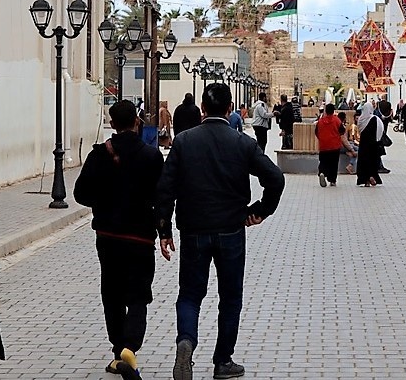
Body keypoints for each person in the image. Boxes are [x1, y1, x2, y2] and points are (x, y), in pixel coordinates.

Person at [157, 83, 284, 380]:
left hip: (193, 229)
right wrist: (259, 210)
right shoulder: (242, 143)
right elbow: (275, 178)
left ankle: (186, 341)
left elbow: (165, 189)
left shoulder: (184, 142)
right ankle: (223, 361)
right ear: (229, 109)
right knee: (230, 296)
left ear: (203, 108)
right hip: (231, 230)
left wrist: (163, 229)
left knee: (190, 294)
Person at [74, 99, 164, 379]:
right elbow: (161, 198)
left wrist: (103, 202)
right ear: (137, 121)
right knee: (138, 295)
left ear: (112, 124)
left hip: (108, 236)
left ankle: (117, 352)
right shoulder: (151, 156)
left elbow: (80, 194)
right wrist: (165, 230)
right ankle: (130, 347)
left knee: (111, 294)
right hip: (140, 237)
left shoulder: (99, 154)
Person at [355, 103, 384, 187]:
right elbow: (380, 129)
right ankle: (372, 176)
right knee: (372, 161)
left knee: (363, 161)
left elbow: (359, 130)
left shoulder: (361, 119)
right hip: (373, 145)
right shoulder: (375, 118)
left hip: (363, 144)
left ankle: (365, 180)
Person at [315, 103, 343, 187]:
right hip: (335, 145)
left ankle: (322, 172)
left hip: (323, 145)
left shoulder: (320, 121)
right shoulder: (337, 120)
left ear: (326, 111)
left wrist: (322, 138)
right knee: (334, 163)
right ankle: (332, 180)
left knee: (323, 161)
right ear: (333, 111)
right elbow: (342, 131)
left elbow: (316, 132)